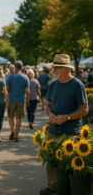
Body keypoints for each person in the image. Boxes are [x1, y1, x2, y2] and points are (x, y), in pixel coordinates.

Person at [40, 54, 88, 195]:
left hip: (71, 131)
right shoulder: (53, 84)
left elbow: (85, 109)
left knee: (68, 164)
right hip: (53, 129)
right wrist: (50, 114)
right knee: (51, 160)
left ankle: (66, 189)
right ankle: (52, 186)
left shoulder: (77, 85)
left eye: (57, 67)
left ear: (67, 69)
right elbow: (47, 104)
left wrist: (66, 117)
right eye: (54, 67)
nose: (54, 70)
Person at [6, 61, 30, 142]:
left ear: (15, 68)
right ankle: (16, 135)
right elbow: (27, 91)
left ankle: (12, 131)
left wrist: (7, 97)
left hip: (11, 99)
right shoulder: (25, 77)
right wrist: (28, 100)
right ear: (22, 68)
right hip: (21, 100)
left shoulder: (9, 76)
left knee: (11, 117)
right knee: (19, 118)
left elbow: (7, 88)